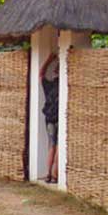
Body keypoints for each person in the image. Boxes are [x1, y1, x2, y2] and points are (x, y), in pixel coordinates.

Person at [41, 53, 59, 183]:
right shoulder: (62, 86)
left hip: (49, 117)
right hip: (58, 117)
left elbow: (41, 74)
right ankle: (54, 175)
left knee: (51, 145)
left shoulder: (49, 85)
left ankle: (48, 174)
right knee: (58, 146)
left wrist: (48, 60)